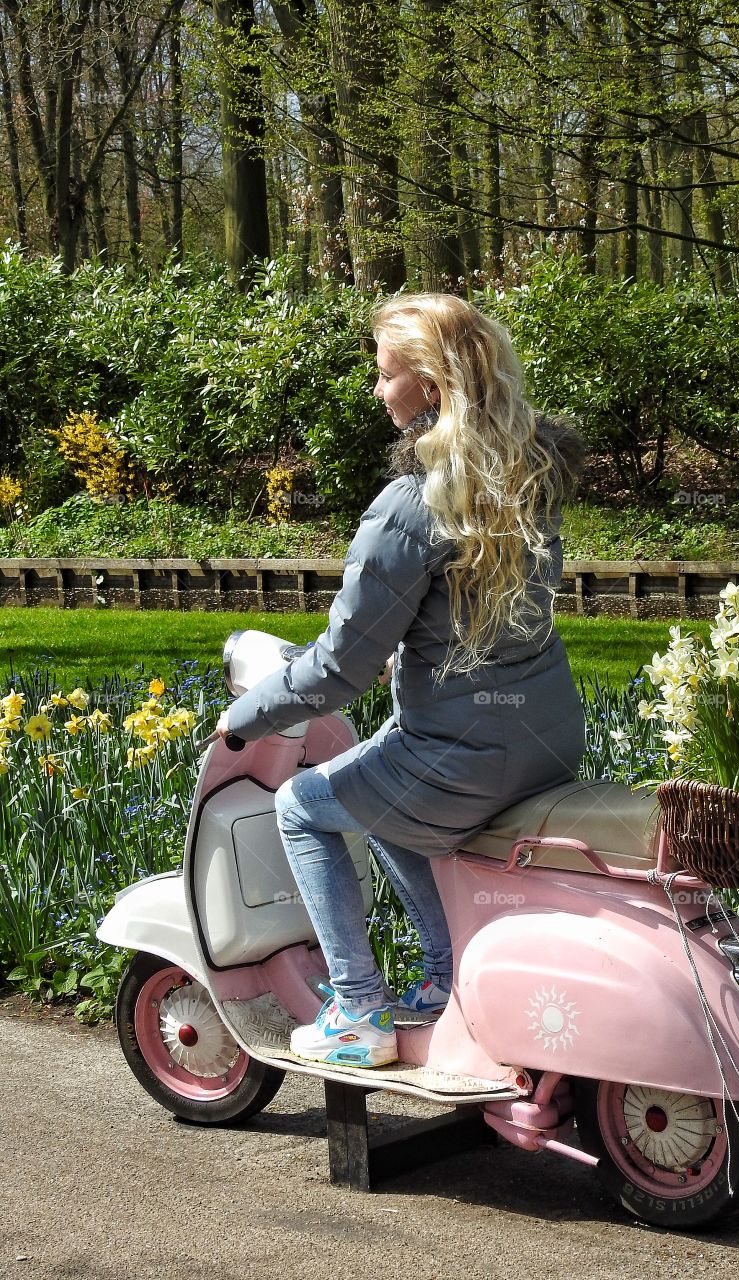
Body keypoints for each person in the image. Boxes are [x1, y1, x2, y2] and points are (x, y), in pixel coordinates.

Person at [217, 293, 586, 1067]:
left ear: (430, 385)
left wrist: (245, 717)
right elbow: (472, 605)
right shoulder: (528, 474)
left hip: (466, 752)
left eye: (386, 375)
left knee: (303, 806)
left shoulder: (411, 505)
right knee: (377, 787)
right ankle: (448, 975)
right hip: (546, 735)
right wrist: (412, 644)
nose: (377, 390)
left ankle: (356, 1012)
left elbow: (340, 665)